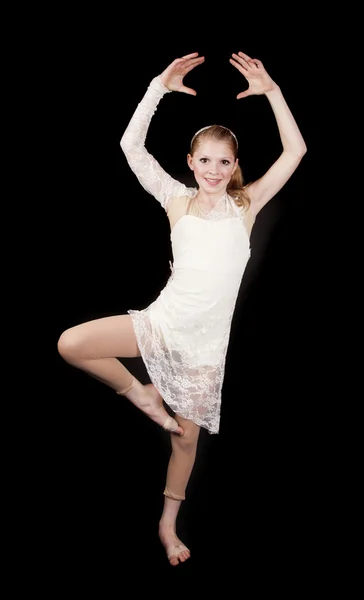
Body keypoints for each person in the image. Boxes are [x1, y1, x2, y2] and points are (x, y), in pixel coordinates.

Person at [57, 51, 307, 566]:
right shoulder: (176, 199)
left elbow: (297, 150)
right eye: (205, 160)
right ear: (190, 163)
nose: (214, 170)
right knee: (71, 344)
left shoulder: (248, 205)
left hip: (202, 349)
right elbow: (130, 145)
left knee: (185, 443)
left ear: (235, 166)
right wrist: (158, 86)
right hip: (163, 324)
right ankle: (140, 394)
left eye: (224, 161)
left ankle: (167, 526)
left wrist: (274, 92)